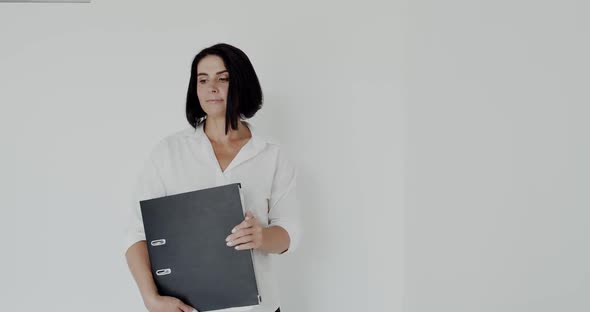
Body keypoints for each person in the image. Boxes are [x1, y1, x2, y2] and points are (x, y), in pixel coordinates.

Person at [124, 43, 301, 312]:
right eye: (202, 80)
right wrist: (151, 298)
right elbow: (137, 232)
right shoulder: (169, 152)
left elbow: (289, 232)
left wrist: (261, 237)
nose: (211, 88)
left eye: (223, 78)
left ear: (242, 83)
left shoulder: (272, 154)